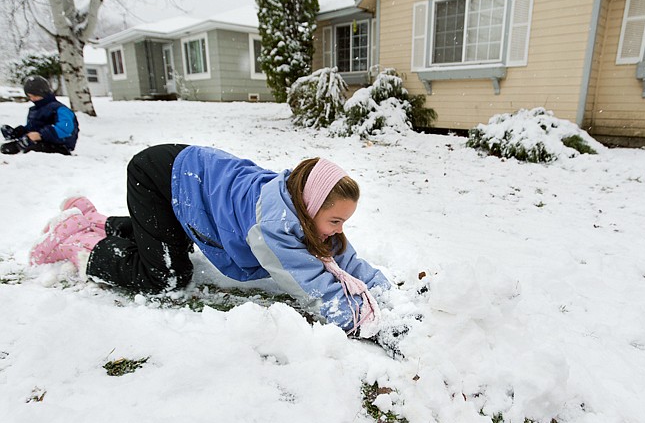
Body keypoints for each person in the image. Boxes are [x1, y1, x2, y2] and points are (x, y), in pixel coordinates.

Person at [30, 144, 389, 337]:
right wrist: (359, 322)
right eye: (336, 221)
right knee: (166, 277)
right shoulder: (273, 225)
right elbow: (309, 284)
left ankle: (92, 220)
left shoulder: (302, 199)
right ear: (311, 205)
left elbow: (342, 254)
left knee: (170, 244)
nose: (339, 230)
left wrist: (383, 289)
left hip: (187, 178)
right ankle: (77, 243)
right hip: (157, 176)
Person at [1, 75, 79, 155]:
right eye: (30, 96)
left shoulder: (60, 109)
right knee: (6, 148)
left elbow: (66, 128)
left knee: (31, 151)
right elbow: (33, 127)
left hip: (60, 145)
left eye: (35, 96)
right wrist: (18, 132)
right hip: (40, 142)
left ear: (43, 93)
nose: (32, 99)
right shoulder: (36, 109)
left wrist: (40, 135)